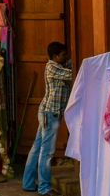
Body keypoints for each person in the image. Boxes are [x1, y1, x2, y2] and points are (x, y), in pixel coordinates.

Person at [22, 42, 72, 195]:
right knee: (47, 152)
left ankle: (29, 183)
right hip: (51, 114)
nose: (66, 57)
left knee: (37, 149)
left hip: (47, 113)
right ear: (55, 56)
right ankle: (44, 188)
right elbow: (72, 74)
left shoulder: (57, 66)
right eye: (63, 55)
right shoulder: (52, 67)